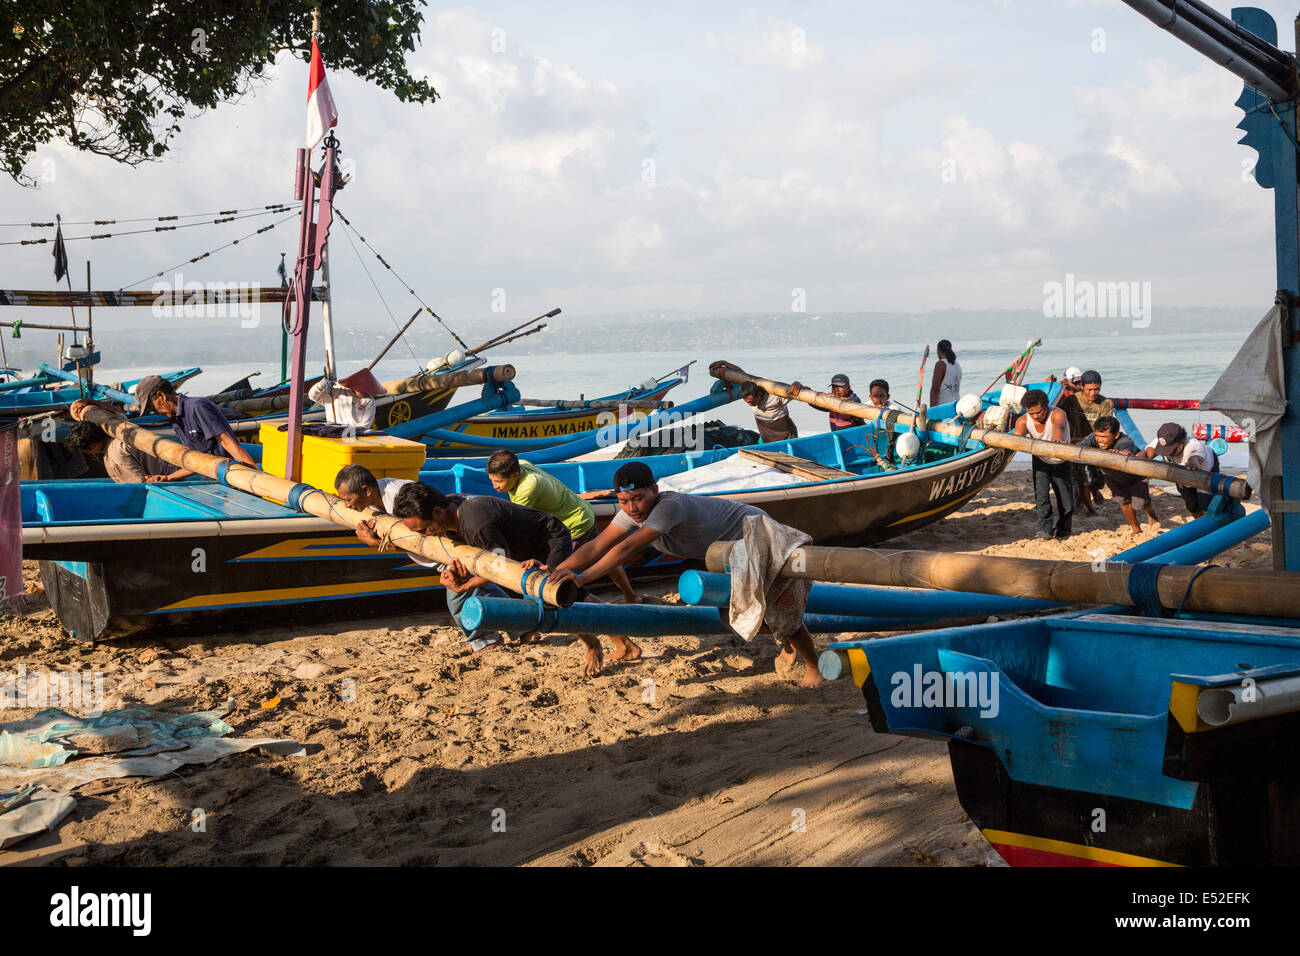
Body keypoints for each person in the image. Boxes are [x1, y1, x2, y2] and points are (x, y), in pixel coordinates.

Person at [550, 461, 824, 689]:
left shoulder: (669, 507)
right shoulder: (632, 514)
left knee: (776, 605)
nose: (632, 508)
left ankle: (813, 668)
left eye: (638, 499)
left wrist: (583, 578)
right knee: (731, 615)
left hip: (755, 535)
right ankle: (787, 639)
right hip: (727, 553)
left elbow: (626, 548)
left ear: (654, 491)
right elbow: (598, 545)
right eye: (623, 501)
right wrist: (561, 570)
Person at [390, 482, 640, 674]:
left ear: (436, 511)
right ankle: (600, 643)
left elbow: (498, 566)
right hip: (522, 549)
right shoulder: (452, 509)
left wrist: (466, 585)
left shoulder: (476, 522)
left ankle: (617, 645)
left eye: (424, 530)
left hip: (548, 540)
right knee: (557, 599)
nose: (425, 535)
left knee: (562, 595)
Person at [485, 449, 640, 604]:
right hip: (582, 511)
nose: (495, 486)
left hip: (572, 525)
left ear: (515, 475)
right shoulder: (522, 465)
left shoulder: (527, 489)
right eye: (492, 481)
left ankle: (606, 615)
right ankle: (631, 597)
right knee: (604, 556)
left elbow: (515, 528)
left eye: (499, 482)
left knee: (559, 577)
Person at [131, 375, 256, 481]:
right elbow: (196, 460)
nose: (156, 413)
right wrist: (167, 478)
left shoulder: (197, 407)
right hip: (210, 483)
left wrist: (254, 475)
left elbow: (228, 443)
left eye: (152, 408)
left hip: (229, 477)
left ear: (161, 396)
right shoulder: (176, 421)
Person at [1078, 416, 1160, 535]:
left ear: (1116, 435)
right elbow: (1079, 447)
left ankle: (1151, 514)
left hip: (1135, 475)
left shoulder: (1124, 441)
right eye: (1098, 436)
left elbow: (1127, 450)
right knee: (1124, 502)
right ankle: (1136, 529)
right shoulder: (1093, 438)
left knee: (1142, 501)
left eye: (1104, 437)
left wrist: (1124, 454)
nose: (1100, 440)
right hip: (1113, 476)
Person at [1013, 388, 1074, 540]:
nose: (1036, 416)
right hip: (1040, 460)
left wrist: (1058, 442)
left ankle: (1064, 529)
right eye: (1031, 413)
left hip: (1062, 460)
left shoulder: (1058, 414)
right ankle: (1045, 530)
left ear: (1047, 406)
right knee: (1042, 496)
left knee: (1066, 499)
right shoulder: (1022, 421)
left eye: (1039, 412)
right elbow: (1014, 442)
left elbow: (1058, 429)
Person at [1139, 422, 1219, 517]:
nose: (1167, 454)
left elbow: (1195, 458)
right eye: (1164, 450)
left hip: (1204, 470)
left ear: (1182, 442)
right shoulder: (1164, 439)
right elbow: (1148, 453)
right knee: (1191, 504)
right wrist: (1133, 457)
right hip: (1180, 472)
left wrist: (1193, 463)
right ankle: (1199, 521)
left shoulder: (1194, 445)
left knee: (1206, 503)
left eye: (1171, 451)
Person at [1061, 370, 1114, 515]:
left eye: (1097, 389)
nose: (1093, 393)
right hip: (1075, 446)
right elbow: (1060, 417)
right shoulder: (1072, 401)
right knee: (1081, 478)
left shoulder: (1105, 403)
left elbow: (1106, 429)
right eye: (1090, 389)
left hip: (1096, 446)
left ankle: (1089, 494)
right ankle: (1090, 508)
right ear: (1082, 387)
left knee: (1095, 480)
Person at [62, 419, 176, 483]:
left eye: (85, 451)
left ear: (92, 446)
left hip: (169, 482)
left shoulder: (115, 455)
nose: (88, 454)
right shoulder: (121, 433)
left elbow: (137, 486)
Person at [309, 368, 387, 430]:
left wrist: (349, 433)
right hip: (331, 431)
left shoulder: (369, 401)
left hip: (353, 436)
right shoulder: (336, 392)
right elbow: (312, 395)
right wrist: (323, 384)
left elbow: (365, 426)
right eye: (362, 389)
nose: (364, 392)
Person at [929, 339, 962, 407]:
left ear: (939, 350)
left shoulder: (940, 364)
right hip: (957, 406)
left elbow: (935, 390)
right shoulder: (957, 364)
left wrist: (932, 411)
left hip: (944, 408)